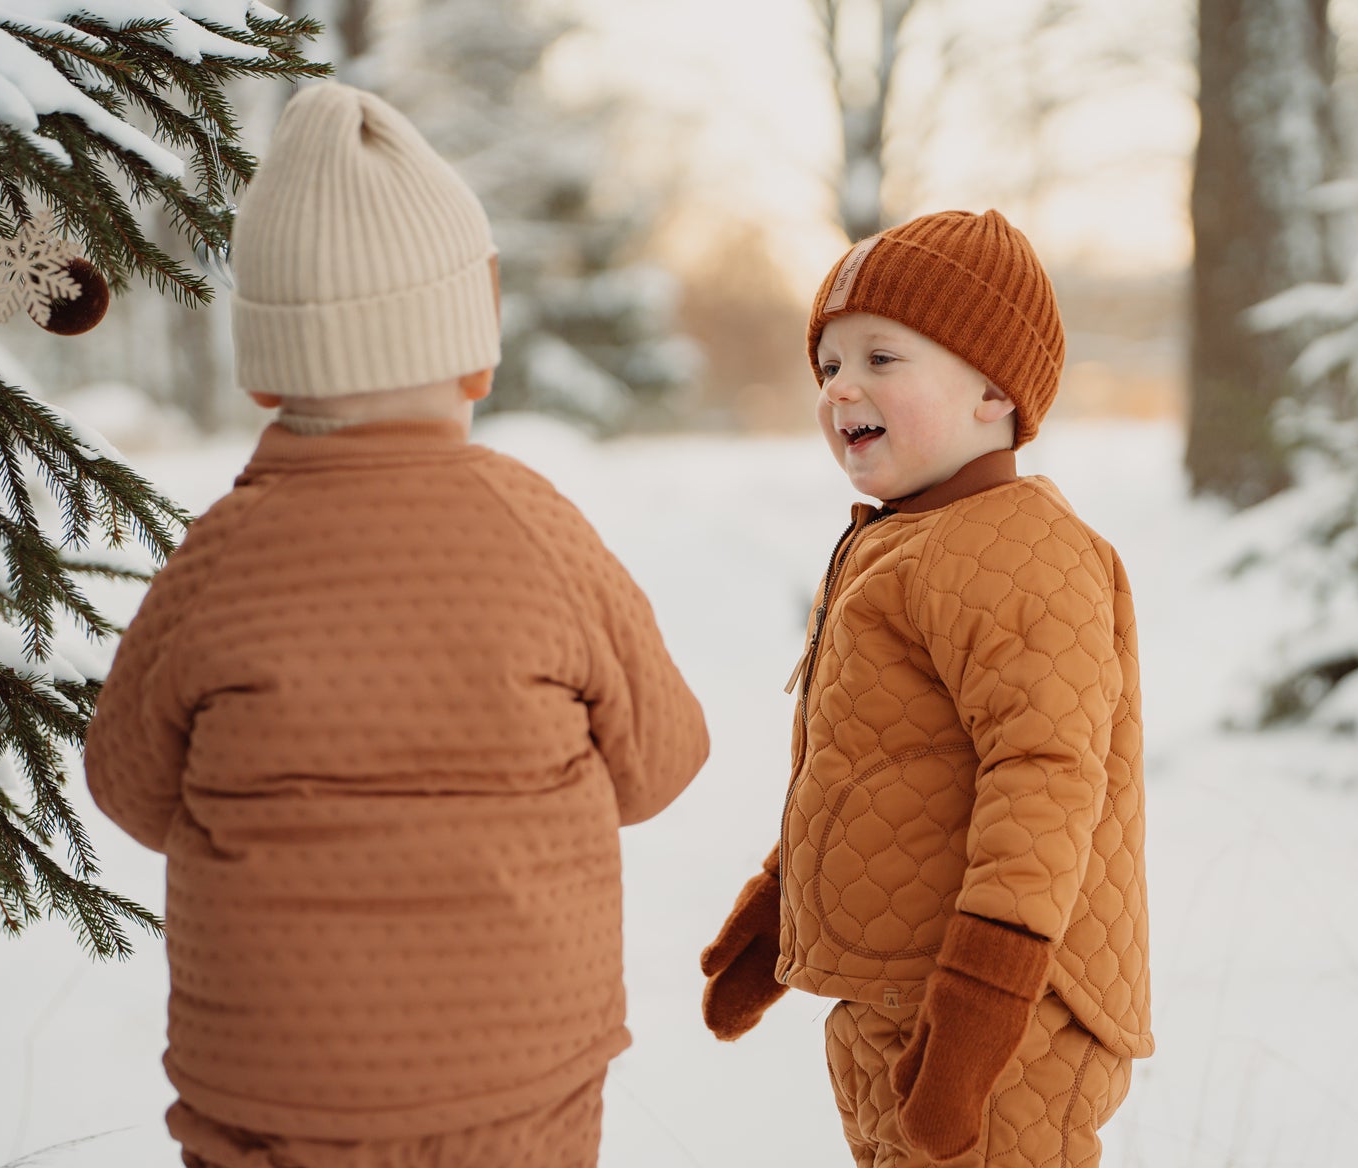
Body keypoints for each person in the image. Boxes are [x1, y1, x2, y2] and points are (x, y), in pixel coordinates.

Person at [83, 81, 709, 1168]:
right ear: (474, 340)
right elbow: (662, 761)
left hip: (270, 1089)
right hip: (521, 1078)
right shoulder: (534, 530)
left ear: (271, 373)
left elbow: (128, 785)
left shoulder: (220, 555)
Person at [699, 209, 1151, 1167]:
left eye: (881, 358)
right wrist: (779, 905)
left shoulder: (1023, 553)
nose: (841, 388)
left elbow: (1045, 781)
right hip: (888, 999)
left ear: (995, 389)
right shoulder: (899, 544)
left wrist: (982, 1010)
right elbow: (871, 767)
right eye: (826, 365)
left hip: (1004, 1018)